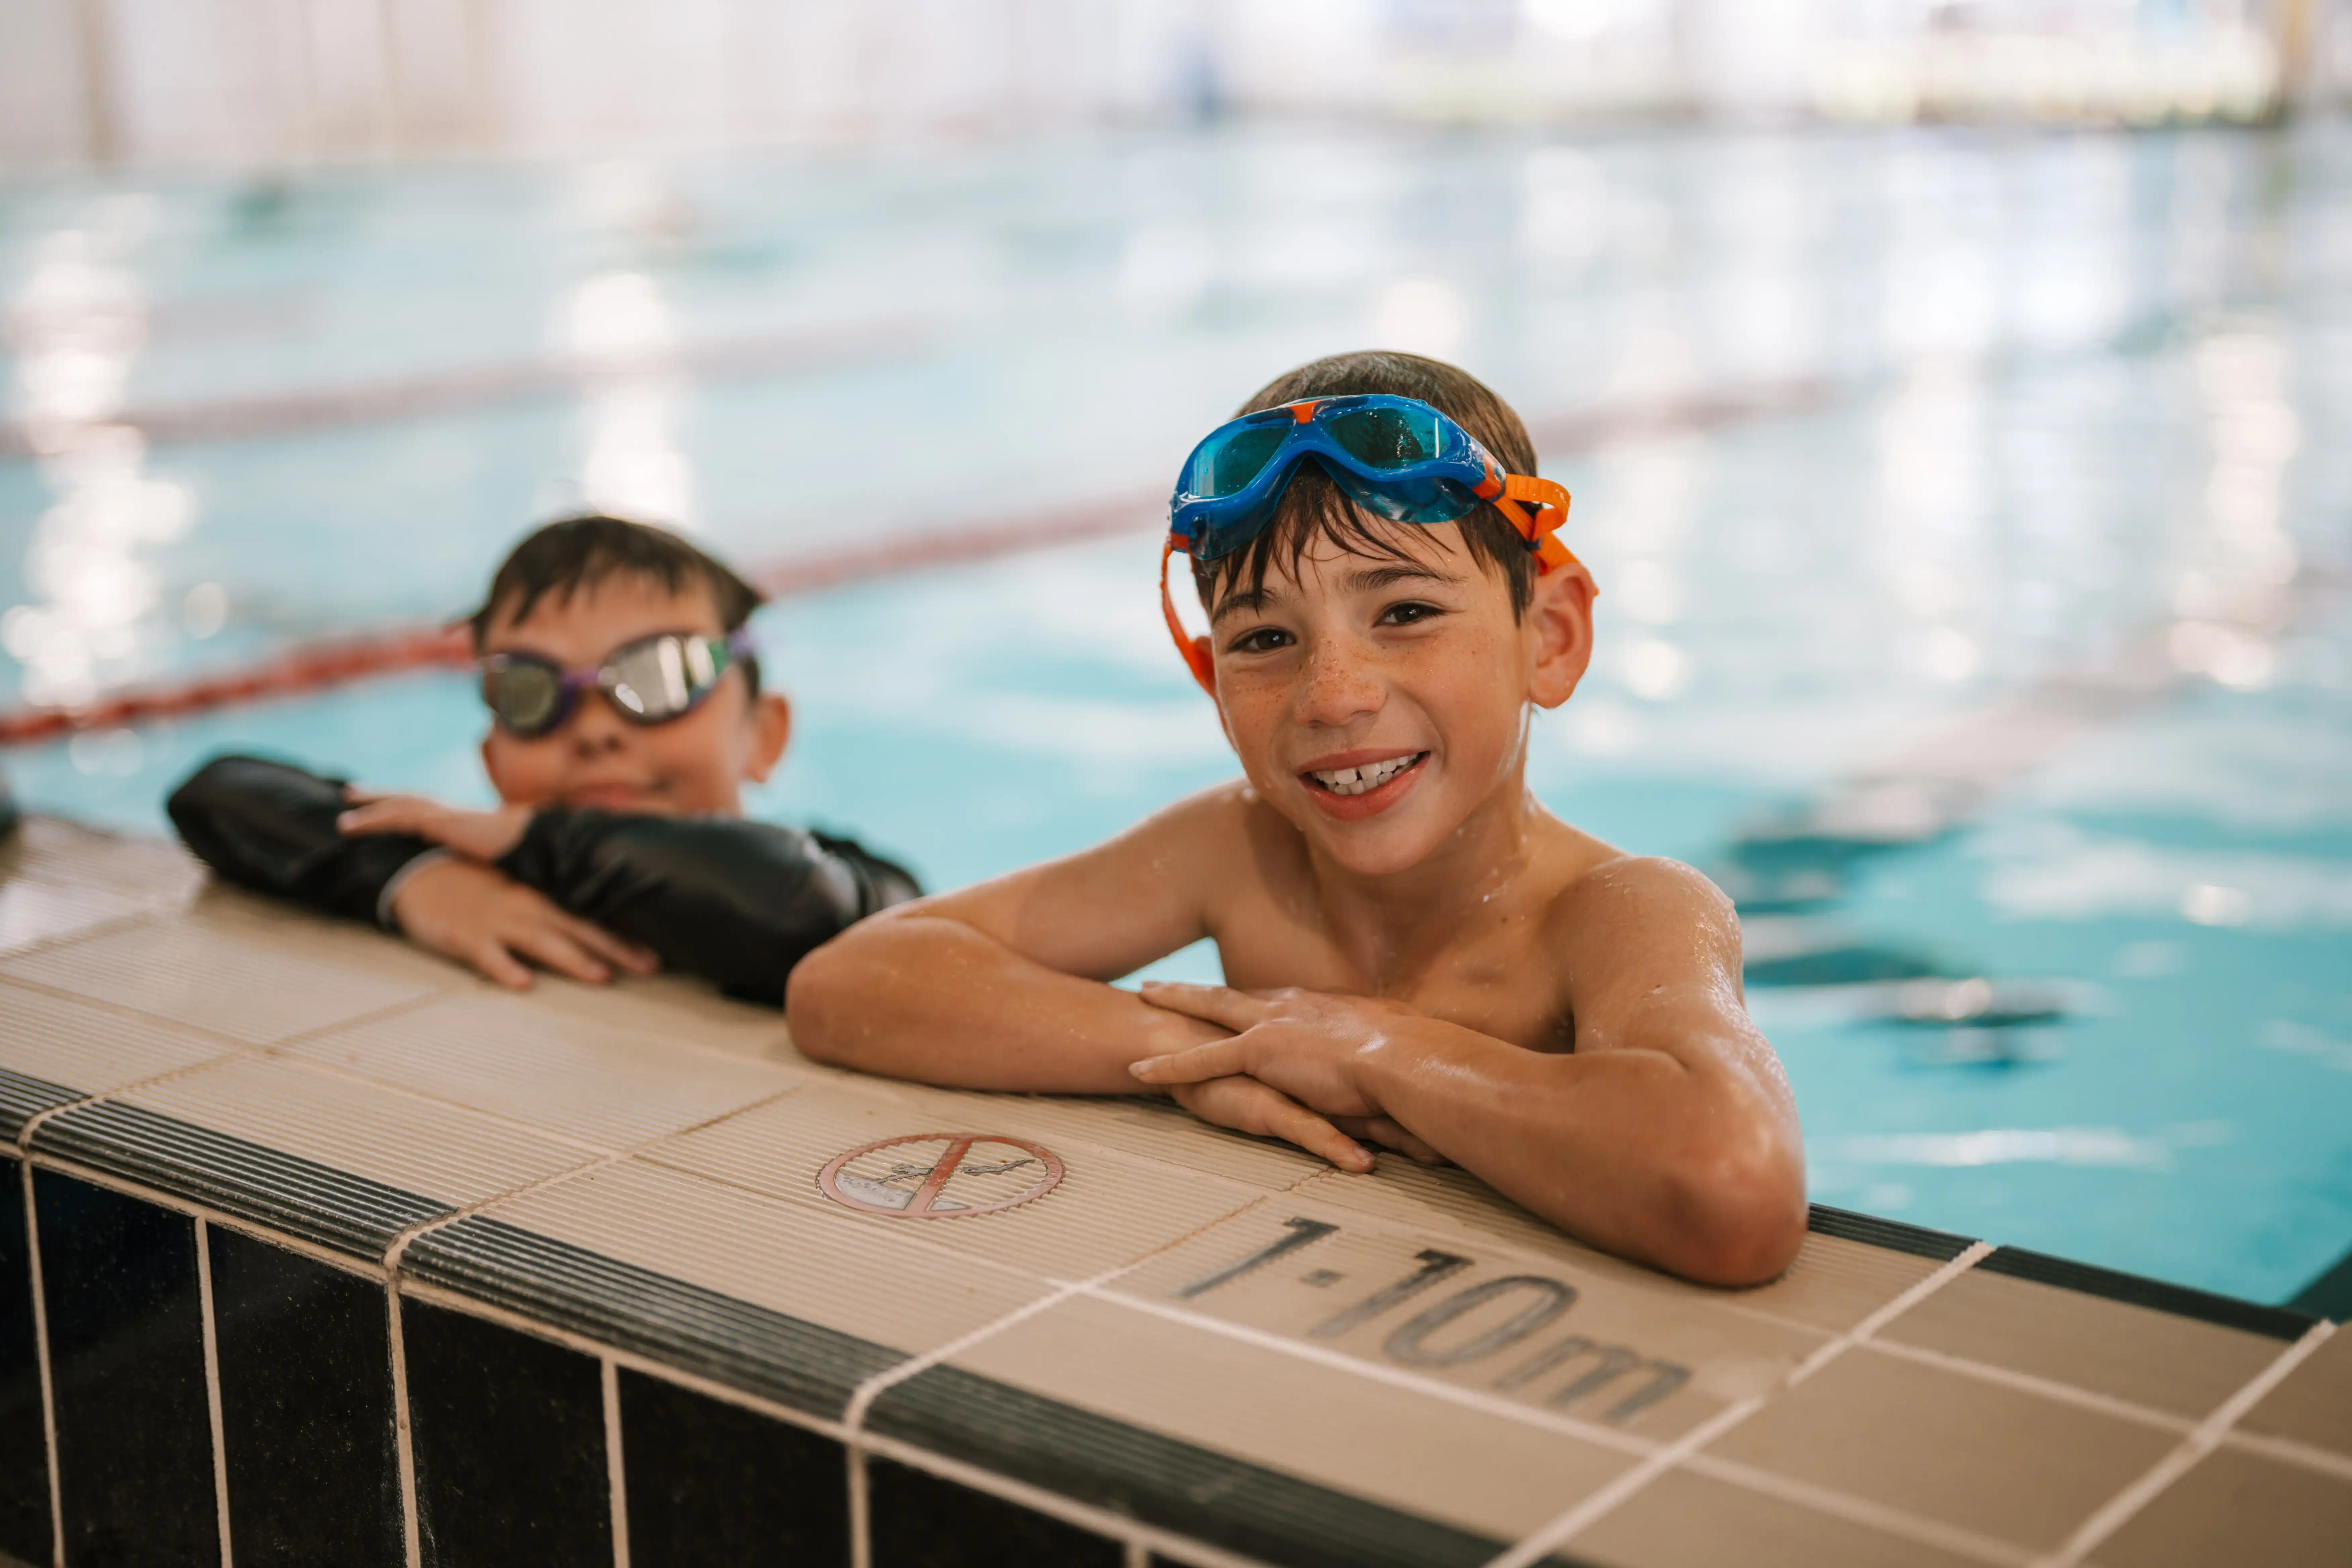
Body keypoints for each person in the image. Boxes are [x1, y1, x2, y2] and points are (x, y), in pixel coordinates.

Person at [787, 352, 1805, 1286]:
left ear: (1550, 634)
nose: (1334, 695)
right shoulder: (1238, 851)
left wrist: (1379, 1052)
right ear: (1211, 682)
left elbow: (1733, 1184)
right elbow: (852, 984)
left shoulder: (1618, 910)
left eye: (1404, 613)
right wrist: (1221, 1055)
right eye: (1266, 637)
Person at [169, 516, 918, 1006]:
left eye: (657, 675)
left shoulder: (858, 883)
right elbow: (220, 793)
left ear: (765, 733)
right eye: (530, 690)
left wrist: (538, 843)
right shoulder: (486, 872)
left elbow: (785, 906)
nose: (594, 731)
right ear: (493, 756)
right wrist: (413, 877)